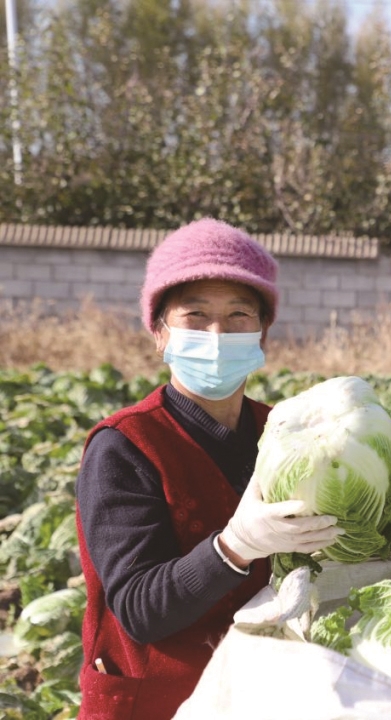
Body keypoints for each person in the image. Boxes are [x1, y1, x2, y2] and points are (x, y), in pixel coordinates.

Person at [75, 219, 345, 720]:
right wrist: (233, 547)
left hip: (266, 697)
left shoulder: (286, 433)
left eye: (239, 314)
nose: (218, 334)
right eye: (194, 316)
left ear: (263, 332)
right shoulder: (124, 446)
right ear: (160, 333)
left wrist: (369, 482)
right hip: (157, 704)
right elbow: (138, 610)